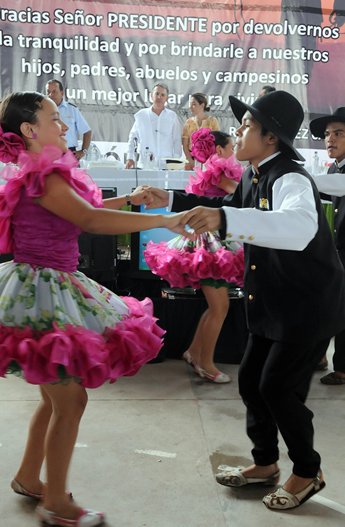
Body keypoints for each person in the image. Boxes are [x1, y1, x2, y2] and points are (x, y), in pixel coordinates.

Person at [0, 91, 191, 527]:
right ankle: (54, 504)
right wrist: (162, 218)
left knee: (53, 396)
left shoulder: (39, 174)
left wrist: (133, 201)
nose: (63, 125)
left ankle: (30, 478)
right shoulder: (44, 177)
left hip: (40, 287)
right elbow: (91, 221)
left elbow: (84, 211)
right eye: (53, 119)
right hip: (43, 295)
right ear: (29, 130)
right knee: (70, 401)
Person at [142, 90, 345, 510]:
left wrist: (226, 218)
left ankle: (307, 470)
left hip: (305, 307)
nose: (238, 130)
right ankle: (265, 463)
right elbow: (227, 205)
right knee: (252, 382)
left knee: (277, 389)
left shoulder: (290, 176)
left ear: (271, 137)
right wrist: (175, 200)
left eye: (248, 125)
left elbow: (299, 226)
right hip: (271, 301)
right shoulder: (254, 173)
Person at [144, 129, 244, 383]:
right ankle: (205, 362)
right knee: (219, 307)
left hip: (211, 242)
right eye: (231, 147)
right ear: (219, 151)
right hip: (212, 245)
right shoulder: (220, 171)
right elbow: (241, 199)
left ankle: (194, 353)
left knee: (216, 306)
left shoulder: (208, 170)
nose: (233, 152)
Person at [309, 107, 345, 385]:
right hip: (334, 248)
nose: (329, 139)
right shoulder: (334, 166)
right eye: (326, 135)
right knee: (325, 302)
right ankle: (319, 355)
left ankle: (342, 367)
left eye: (338, 133)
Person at [125, 82, 182, 169]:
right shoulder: (142, 115)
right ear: (151, 96)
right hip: (146, 165)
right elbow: (132, 138)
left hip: (166, 166)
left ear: (166, 98)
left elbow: (177, 141)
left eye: (162, 95)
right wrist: (130, 157)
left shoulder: (172, 116)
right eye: (157, 93)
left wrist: (174, 162)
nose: (159, 97)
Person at [46, 79, 91, 162]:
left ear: (62, 93)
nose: (50, 95)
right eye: (48, 92)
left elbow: (87, 131)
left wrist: (83, 151)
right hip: (48, 155)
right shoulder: (42, 110)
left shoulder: (72, 109)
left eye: (54, 91)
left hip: (69, 154)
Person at [182, 93, 220, 170]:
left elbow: (217, 142)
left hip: (208, 160)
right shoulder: (188, 122)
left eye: (193, 104)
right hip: (191, 160)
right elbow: (185, 144)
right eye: (190, 104)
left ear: (202, 105)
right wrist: (190, 160)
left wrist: (209, 161)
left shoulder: (212, 121)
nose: (190, 107)